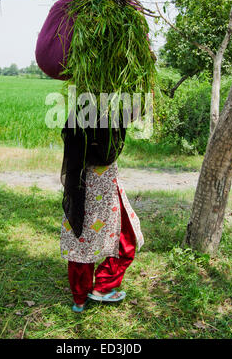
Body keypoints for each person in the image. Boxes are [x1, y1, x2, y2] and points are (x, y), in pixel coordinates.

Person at [60, 108, 144, 312]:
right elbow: (133, 113)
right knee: (125, 238)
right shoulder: (105, 113)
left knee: (81, 240)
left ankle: (80, 298)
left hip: (81, 189)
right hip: (102, 189)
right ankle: (104, 287)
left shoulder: (81, 113)